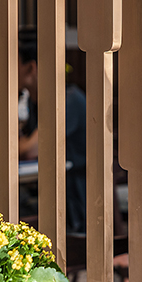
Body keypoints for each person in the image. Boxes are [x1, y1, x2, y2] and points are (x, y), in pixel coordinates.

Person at [15, 26, 87, 233]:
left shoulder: (68, 100)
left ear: (30, 68)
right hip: (51, 200)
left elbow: (30, 149)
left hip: (77, 210)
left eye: (12, 63)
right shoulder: (35, 102)